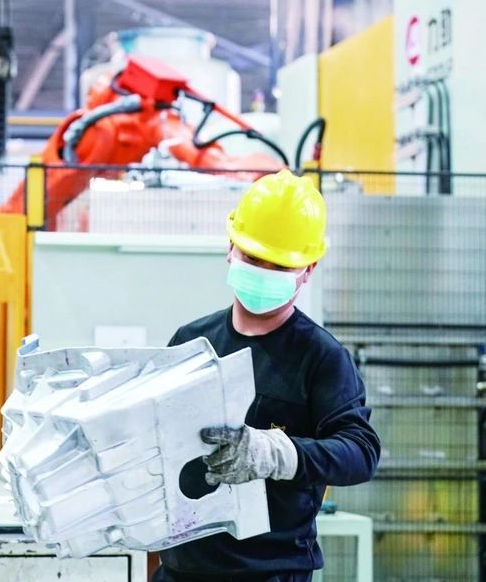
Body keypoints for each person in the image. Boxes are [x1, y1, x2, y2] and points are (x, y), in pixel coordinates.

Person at [154, 170, 381, 582]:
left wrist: (276, 454)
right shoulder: (191, 342)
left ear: (308, 269)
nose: (263, 272)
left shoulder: (321, 357)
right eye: (253, 258)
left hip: (271, 571)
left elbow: (360, 453)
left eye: (280, 266)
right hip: (182, 568)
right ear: (230, 248)